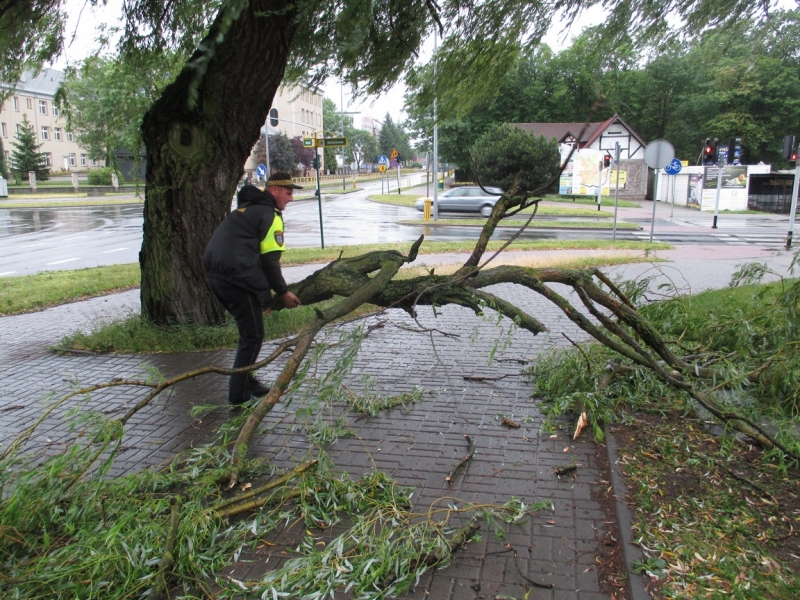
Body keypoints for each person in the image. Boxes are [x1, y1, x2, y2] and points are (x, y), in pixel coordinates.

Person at [203, 172, 302, 405]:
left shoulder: (246, 210)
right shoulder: (269, 215)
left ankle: (248, 381)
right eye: (288, 193)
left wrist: (262, 298)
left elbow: (248, 256)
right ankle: (239, 397)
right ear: (274, 191)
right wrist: (281, 293)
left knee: (250, 331)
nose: (291, 198)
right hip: (236, 280)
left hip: (217, 276)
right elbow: (269, 261)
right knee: (252, 335)